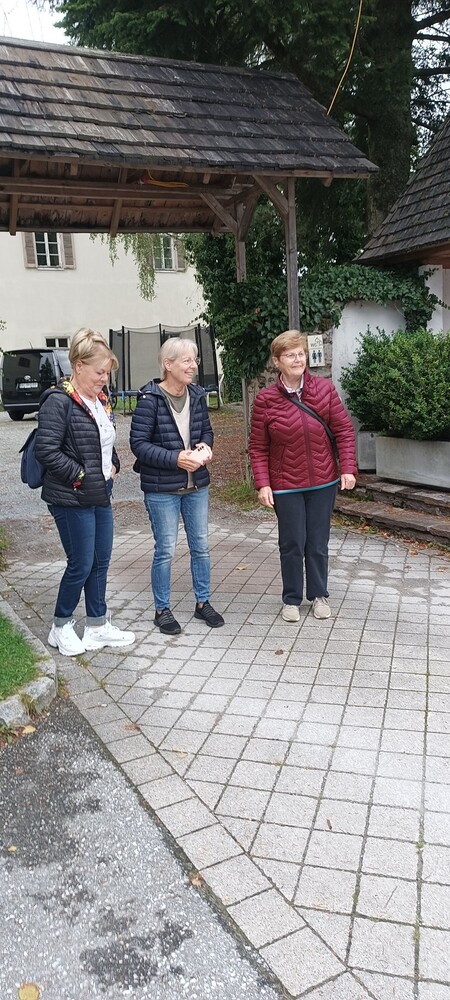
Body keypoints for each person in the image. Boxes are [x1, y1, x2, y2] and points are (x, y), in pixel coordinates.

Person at [35, 327, 135, 656]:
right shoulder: (58, 401)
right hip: (71, 497)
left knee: (100, 562)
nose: (104, 379)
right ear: (78, 366)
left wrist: (114, 463)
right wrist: (80, 475)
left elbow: (103, 441)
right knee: (81, 563)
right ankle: (60, 626)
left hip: (100, 492)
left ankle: (96, 626)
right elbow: (47, 451)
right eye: (99, 372)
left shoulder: (100, 400)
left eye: (107, 373)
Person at [249, 329, 357, 622]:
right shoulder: (265, 400)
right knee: (292, 543)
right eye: (290, 355)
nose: (298, 359)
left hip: (323, 481)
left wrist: (348, 468)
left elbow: (344, 431)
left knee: (317, 542)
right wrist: (263, 484)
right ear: (277, 361)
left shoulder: (324, 389)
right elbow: (258, 447)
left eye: (301, 354)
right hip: (285, 485)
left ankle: (319, 595)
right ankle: (292, 599)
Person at [129, 337, 224, 635]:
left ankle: (203, 603)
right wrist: (176, 459)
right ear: (168, 365)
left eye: (194, 360)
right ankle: (162, 610)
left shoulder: (196, 395)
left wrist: (205, 446)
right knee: (166, 550)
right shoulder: (149, 399)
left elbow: (206, 431)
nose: (193, 366)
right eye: (187, 360)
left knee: (201, 547)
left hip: (197, 486)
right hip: (162, 490)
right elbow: (138, 445)